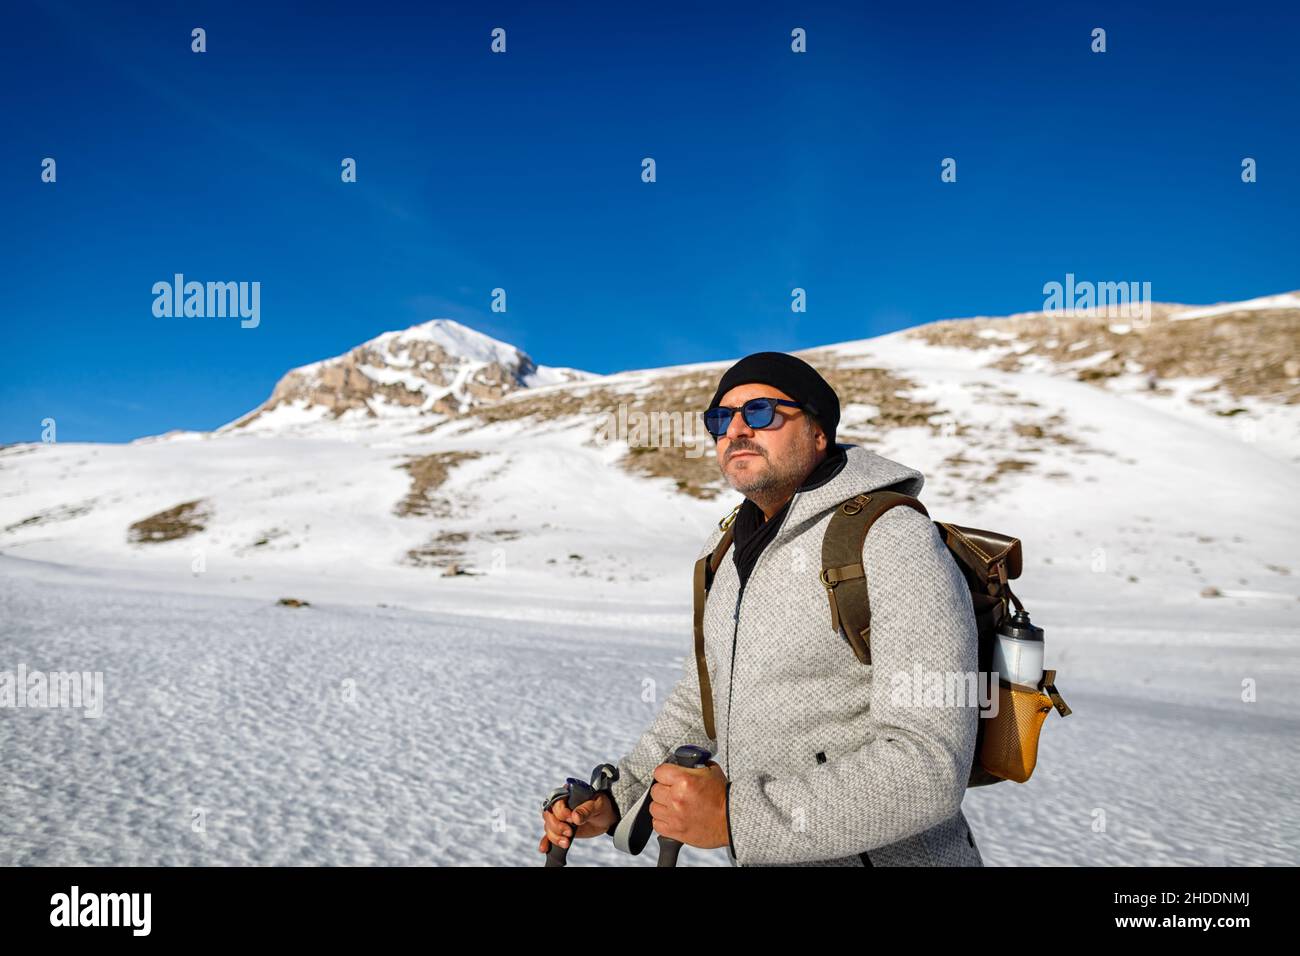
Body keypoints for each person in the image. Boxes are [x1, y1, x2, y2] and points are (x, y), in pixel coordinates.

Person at [540, 351, 983, 866]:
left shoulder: (889, 536)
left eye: (761, 413)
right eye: (720, 419)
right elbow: (700, 708)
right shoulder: (726, 550)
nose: (735, 430)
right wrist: (618, 799)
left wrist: (734, 817)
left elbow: (929, 764)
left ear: (819, 432)